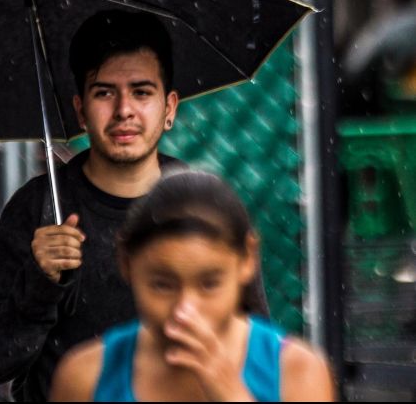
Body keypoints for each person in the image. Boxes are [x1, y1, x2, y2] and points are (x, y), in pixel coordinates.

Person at [0, 9, 269, 401]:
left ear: (170, 107)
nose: (124, 110)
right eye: (104, 92)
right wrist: (39, 282)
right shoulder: (39, 209)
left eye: (142, 92)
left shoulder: (205, 210)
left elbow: (258, 356)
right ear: (80, 111)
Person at [49, 171, 335, 402]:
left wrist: (230, 393)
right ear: (126, 262)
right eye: (162, 285)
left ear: (247, 258)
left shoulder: (295, 371)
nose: (185, 310)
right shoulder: (86, 376)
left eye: (209, 284)